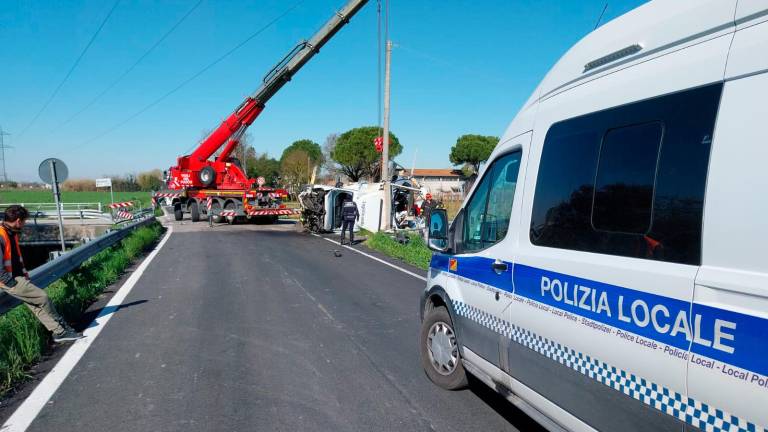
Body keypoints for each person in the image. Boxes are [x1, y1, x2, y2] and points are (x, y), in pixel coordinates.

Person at [0, 205, 83, 343]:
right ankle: (61, 325)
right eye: (25, 221)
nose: (25, 224)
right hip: (8, 280)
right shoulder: (2, 235)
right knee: (43, 298)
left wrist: (23, 274)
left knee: (36, 306)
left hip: (16, 277)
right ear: (18, 220)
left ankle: (59, 332)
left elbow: (15, 258)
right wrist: (10, 283)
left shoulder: (11, 232)